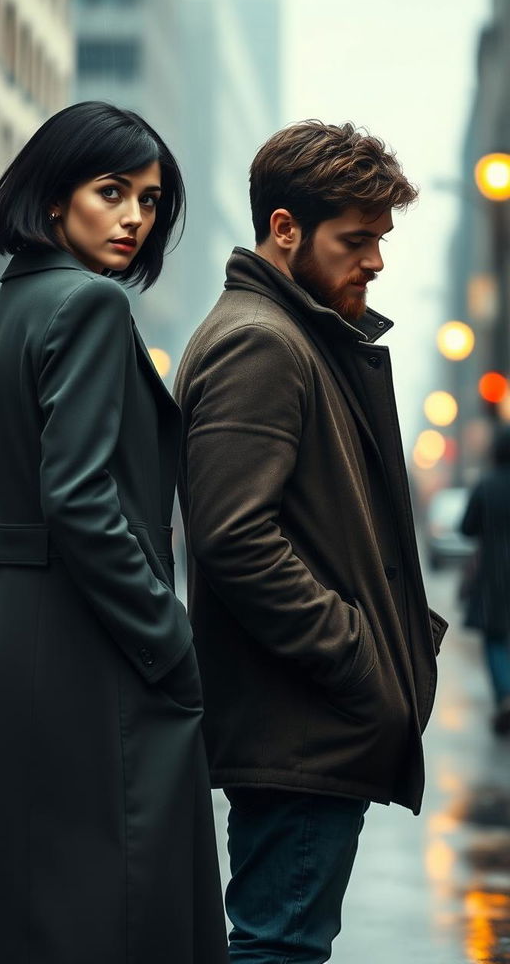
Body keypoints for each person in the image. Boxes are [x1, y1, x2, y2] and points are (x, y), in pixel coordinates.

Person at [0, 102, 228, 964]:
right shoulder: (89, 305)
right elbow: (83, 500)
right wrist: (169, 639)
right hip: (84, 629)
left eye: (153, 199)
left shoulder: (3, 309)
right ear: (55, 199)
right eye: (112, 191)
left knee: (15, 885)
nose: (137, 216)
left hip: (5, 628)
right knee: (108, 893)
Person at [174, 120, 448, 964]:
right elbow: (234, 537)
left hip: (306, 723)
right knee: (279, 947)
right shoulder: (263, 339)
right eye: (357, 240)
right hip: (299, 727)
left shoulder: (296, 332)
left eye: (380, 241)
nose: (374, 262)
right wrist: (354, 656)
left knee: (282, 940)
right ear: (284, 229)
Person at [461, 426, 510, 735]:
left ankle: (506, 697)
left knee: (494, 639)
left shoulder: (487, 485)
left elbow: (466, 527)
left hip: (495, 575)